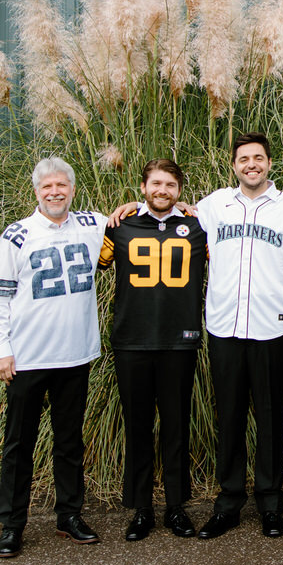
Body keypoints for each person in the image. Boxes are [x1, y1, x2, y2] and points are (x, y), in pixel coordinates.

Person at [193, 132, 283, 541]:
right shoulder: (214, 206)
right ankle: (228, 503)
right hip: (224, 326)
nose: (251, 164)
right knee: (230, 417)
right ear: (234, 165)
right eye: (244, 159)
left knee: (270, 417)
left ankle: (270, 505)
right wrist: (132, 207)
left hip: (271, 327)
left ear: (269, 163)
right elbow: (174, 216)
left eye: (258, 158)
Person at [0, 157, 105, 558]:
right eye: (46, 187)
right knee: (20, 444)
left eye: (61, 186)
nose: (55, 193)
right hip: (28, 359)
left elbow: (133, 218)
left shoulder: (91, 225)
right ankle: (11, 524)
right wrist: (1, 350)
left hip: (74, 356)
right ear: (36, 191)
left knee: (69, 441)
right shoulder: (17, 236)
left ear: (72, 188)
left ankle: (69, 515)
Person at [97, 158, 206, 542]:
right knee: (138, 426)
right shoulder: (121, 225)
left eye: (170, 185)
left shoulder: (197, 226)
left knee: (177, 426)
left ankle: (176, 506)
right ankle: (141, 508)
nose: (163, 190)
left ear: (179, 190)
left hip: (180, 340)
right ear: (143, 187)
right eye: (156, 183)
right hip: (132, 340)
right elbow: (96, 262)